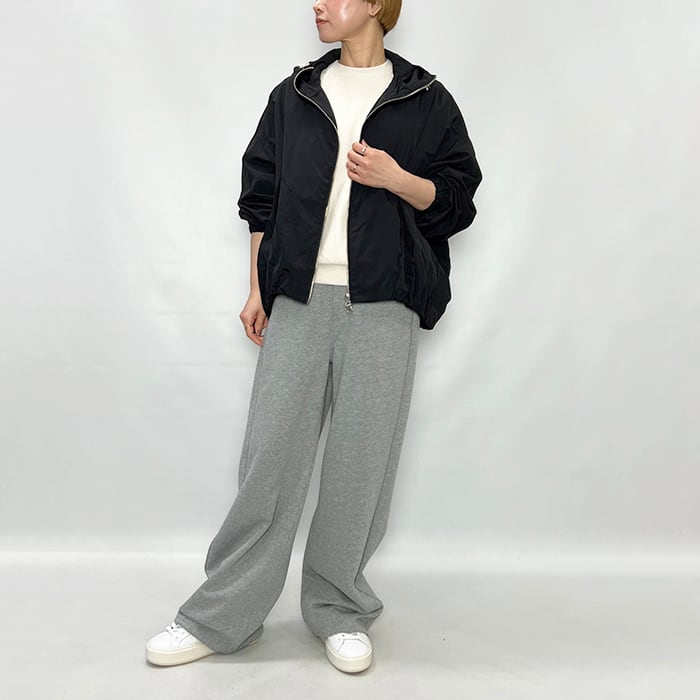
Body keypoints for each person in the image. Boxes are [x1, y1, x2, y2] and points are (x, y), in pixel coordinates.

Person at [145, 0, 481, 674]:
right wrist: (257, 287)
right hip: (299, 296)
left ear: (378, 6)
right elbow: (261, 198)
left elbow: (457, 201)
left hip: (384, 300)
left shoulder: (426, 99)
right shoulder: (295, 95)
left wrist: (396, 179)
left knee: (361, 464)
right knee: (269, 459)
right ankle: (222, 616)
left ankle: (339, 609)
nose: (319, 6)